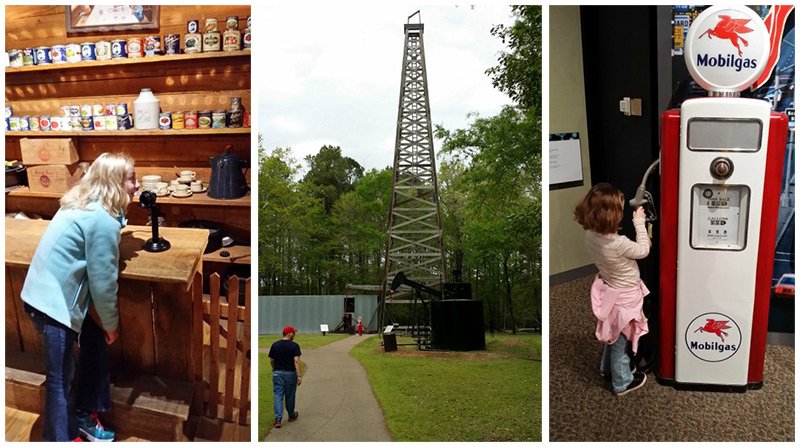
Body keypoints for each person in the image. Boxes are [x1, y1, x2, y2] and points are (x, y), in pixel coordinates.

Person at [20, 152, 139, 441]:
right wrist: (112, 324)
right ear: (114, 182)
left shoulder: (82, 202)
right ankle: (60, 438)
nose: (136, 185)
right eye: (132, 179)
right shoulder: (101, 220)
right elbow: (102, 283)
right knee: (59, 380)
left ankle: (85, 414)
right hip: (52, 307)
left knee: (94, 341)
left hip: (45, 298)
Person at [574, 182, 651, 396]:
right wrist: (639, 223)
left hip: (610, 290)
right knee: (622, 341)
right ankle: (622, 382)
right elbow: (644, 250)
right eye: (619, 209)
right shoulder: (619, 243)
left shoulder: (590, 234)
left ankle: (606, 368)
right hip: (626, 295)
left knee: (613, 334)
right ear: (610, 215)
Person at [269, 326, 302, 428]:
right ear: (289, 334)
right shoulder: (294, 346)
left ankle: (278, 419)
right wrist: (299, 374)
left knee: (278, 395)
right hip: (290, 373)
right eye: (293, 333)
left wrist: (274, 369)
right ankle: (291, 415)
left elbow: (271, 360)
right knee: (290, 395)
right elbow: (296, 360)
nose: (294, 335)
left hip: (277, 373)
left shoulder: (275, 345)